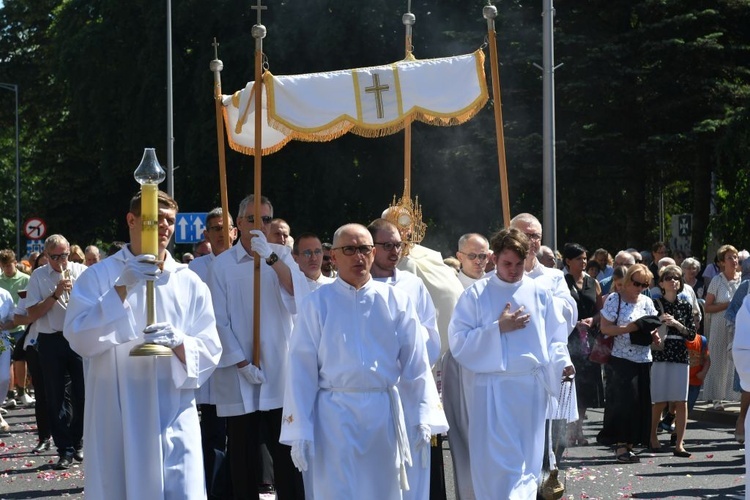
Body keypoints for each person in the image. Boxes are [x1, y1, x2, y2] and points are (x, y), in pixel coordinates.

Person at [64, 190, 222, 498]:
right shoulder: (100, 276)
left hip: (173, 409)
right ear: (132, 221)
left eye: (170, 221)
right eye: (155, 219)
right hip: (118, 410)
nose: (164, 226)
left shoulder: (189, 281)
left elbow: (210, 348)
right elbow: (78, 336)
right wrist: (121, 289)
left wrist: (180, 343)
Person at [280, 223, 447, 499]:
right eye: (349, 249)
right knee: (337, 490)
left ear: (373, 253)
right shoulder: (316, 304)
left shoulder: (397, 301)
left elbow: (415, 365)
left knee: (381, 489)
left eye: (365, 249)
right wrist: (299, 428)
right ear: (333, 256)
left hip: (382, 415)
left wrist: (421, 417)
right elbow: (301, 371)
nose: (359, 256)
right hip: (333, 417)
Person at [449, 228, 572, 498]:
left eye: (519, 263)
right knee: (496, 464)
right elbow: (459, 342)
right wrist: (497, 329)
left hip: (530, 391)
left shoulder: (540, 293)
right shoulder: (476, 294)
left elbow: (555, 337)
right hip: (491, 391)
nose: (514, 270)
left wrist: (562, 362)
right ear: (494, 258)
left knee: (526, 463)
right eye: (507, 263)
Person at [208, 194, 304, 500]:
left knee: (287, 454)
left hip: (279, 367)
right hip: (242, 371)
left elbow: (297, 295)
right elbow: (218, 320)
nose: (258, 225)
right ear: (238, 223)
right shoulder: (222, 265)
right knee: (244, 457)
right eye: (251, 219)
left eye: (264, 219)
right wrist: (240, 362)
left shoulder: (282, 255)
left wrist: (273, 259)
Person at [368, 218, 441, 500]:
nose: (394, 251)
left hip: (408, 386)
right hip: (372, 391)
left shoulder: (413, 285)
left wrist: (407, 339)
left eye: (398, 245)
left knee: (412, 468)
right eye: (386, 245)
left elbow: (431, 334)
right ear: (371, 247)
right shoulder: (355, 286)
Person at [25, 234, 87, 470]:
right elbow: (32, 313)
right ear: (47, 256)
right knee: (55, 396)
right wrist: (55, 294)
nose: (62, 260)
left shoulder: (80, 271)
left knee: (82, 395)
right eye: (56, 256)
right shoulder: (39, 276)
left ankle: (77, 440)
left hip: (77, 337)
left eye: (65, 255)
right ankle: (65, 449)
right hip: (51, 339)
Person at [188, 207, 238, 496]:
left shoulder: (248, 265)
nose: (221, 234)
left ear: (235, 231)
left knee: (243, 436)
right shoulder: (195, 270)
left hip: (241, 360)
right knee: (214, 436)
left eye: (225, 228)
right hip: (212, 366)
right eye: (215, 229)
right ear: (206, 234)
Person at [599, 264, 660, 463]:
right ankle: (620, 445)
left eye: (645, 284)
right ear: (627, 281)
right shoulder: (614, 299)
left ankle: (631, 444)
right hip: (621, 358)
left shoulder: (647, 302)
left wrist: (654, 335)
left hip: (643, 358)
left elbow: (651, 327)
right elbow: (606, 329)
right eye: (636, 283)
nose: (640, 288)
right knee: (623, 403)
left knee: (639, 404)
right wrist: (631, 328)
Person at [648, 265, 696, 457]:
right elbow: (647, 328)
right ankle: (652, 436)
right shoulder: (654, 302)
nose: (673, 281)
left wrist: (677, 324)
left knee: (681, 400)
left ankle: (680, 443)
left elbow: (692, 334)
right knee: (659, 400)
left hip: (680, 353)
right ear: (661, 283)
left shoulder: (685, 305)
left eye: (676, 278)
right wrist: (659, 320)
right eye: (668, 278)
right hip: (661, 353)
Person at [562, 243, 603, 446]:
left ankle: (580, 431)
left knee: (586, 385)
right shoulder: (561, 281)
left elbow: (601, 310)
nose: (584, 262)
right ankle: (570, 430)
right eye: (579, 259)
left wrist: (593, 321)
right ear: (568, 261)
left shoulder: (593, 282)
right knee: (571, 384)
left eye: (585, 258)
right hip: (569, 339)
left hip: (589, 339)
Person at [703, 244, 741, 409]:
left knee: (736, 358)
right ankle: (717, 397)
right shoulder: (717, 281)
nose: (734, 260)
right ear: (721, 262)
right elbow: (707, 307)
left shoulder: (743, 280)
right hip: (719, 322)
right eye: (729, 258)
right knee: (718, 358)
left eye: (735, 257)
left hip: (738, 324)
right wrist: (728, 305)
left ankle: (735, 395)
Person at [0, 249, 32, 407]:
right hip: (4, 331)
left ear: (15, 262)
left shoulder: (26, 279)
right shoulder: (0, 281)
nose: (7, 269)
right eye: (3, 265)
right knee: (7, 365)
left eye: (9, 265)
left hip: (18, 327)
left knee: (20, 360)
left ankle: (22, 391)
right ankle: (10, 393)